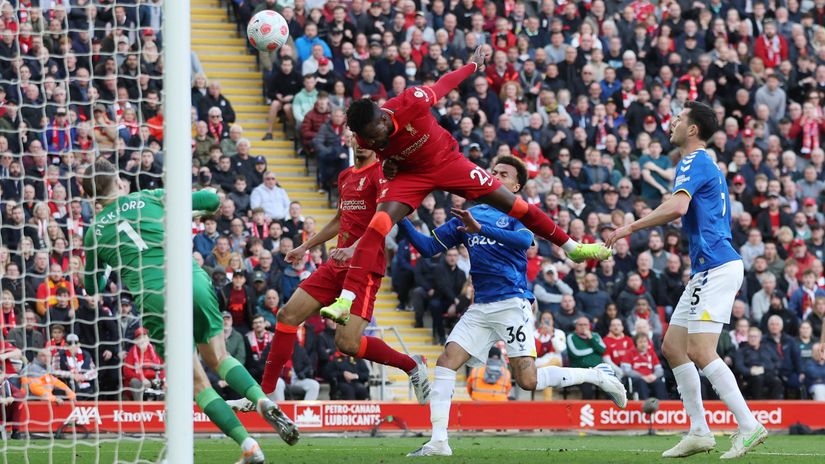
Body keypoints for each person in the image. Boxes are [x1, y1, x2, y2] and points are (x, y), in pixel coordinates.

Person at [320, 46, 611, 325]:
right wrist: (388, 164)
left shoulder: (412, 101)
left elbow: (446, 83)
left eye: (375, 135)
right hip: (411, 176)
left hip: (448, 163)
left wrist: (472, 65)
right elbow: (383, 160)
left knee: (517, 205)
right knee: (377, 226)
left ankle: (572, 248)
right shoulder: (364, 136)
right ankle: (346, 300)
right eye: (367, 140)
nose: (373, 142)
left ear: (384, 118)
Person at [403, 157, 625, 457]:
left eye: (503, 174)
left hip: (512, 302)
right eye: (492, 172)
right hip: (481, 306)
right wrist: (397, 216)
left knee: (527, 380)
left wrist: (479, 227)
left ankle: (598, 375)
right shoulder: (467, 214)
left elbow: (523, 242)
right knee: (446, 362)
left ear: (516, 185)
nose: (494, 176)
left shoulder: (518, 212)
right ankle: (439, 441)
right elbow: (428, 247)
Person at [81, 159, 296, 463]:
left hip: (155, 296)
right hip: (190, 279)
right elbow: (211, 200)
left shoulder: (93, 233)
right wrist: (188, 207)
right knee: (220, 357)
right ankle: (261, 400)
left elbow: (92, 286)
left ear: (90, 196)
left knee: (197, 381)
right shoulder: (149, 197)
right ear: (117, 182)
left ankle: (248, 446)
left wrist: (103, 267)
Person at [606, 101, 767, 458]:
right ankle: (698, 430)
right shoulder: (701, 162)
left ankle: (749, 424)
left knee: (700, 350)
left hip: (716, 266)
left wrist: (630, 226)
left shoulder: (693, 160)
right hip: (707, 268)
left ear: (692, 129)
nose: (673, 121)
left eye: (679, 118)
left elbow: (677, 208)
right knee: (673, 347)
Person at [228, 146, 430, 415]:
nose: (360, 142)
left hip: (365, 266)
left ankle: (411, 365)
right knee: (287, 315)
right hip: (335, 264)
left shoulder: (382, 175)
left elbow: (385, 221)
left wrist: (354, 247)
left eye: (365, 137)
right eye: (355, 135)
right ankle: (263, 394)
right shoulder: (346, 175)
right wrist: (305, 246)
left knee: (347, 344)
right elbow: (339, 219)